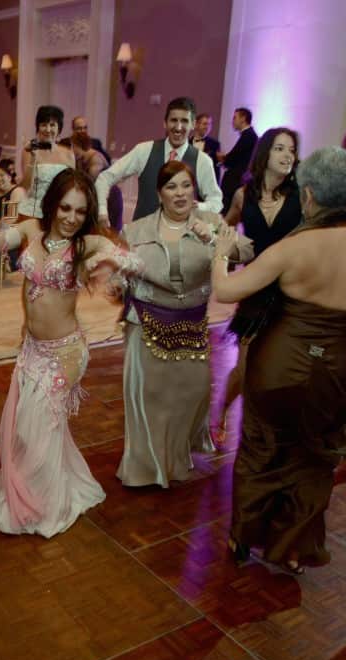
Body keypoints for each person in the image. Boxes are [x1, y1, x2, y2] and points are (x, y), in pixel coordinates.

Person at [0, 168, 142, 537]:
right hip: (31, 348)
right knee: (28, 429)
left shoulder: (87, 244)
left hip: (65, 353)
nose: (71, 218)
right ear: (52, 204)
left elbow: (131, 260)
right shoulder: (32, 232)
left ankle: (46, 506)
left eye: (80, 212)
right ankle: (37, 489)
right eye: (65, 208)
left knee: (38, 430)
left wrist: (112, 261)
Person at [211, 146, 346, 573]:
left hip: (280, 366)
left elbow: (228, 291)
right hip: (337, 370)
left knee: (261, 450)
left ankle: (242, 539)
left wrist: (221, 251)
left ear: (307, 196)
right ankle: (290, 549)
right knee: (313, 458)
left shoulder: (294, 247)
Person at [115, 161, 252, 487]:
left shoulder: (210, 222)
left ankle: (175, 461)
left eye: (186, 186)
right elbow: (120, 276)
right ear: (159, 193)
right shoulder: (136, 231)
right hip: (145, 325)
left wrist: (217, 239)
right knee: (149, 400)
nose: (180, 193)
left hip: (192, 326)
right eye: (171, 187)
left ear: (195, 190)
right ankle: (144, 470)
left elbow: (245, 250)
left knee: (190, 395)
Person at [217, 128, 303, 440]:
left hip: (290, 290)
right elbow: (225, 229)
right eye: (280, 148)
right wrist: (227, 256)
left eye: (291, 150)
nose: (287, 155)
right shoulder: (244, 195)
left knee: (278, 369)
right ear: (265, 154)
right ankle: (223, 410)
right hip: (255, 290)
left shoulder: (301, 197)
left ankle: (263, 430)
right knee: (244, 367)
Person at [95, 97, 223, 227]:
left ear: (193, 125)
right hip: (141, 239)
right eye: (174, 120)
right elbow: (105, 178)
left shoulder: (202, 161)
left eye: (184, 121)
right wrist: (102, 212)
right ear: (165, 123)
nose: (178, 127)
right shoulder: (144, 150)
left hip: (181, 239)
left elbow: (216, 201)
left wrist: (200, 207)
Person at [18, 105, 76, 219]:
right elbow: (25, 187)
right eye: (44, 125)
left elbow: (72, 187)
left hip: (60, 212)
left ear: (59, 128)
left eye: (52, 125)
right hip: (34, 211)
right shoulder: (29, 151)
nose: (48, 129)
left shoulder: (68, 154)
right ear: (38, 127)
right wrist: (33, 158)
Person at [72, 130, 123, 232]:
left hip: (109, 197)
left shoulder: (96, 160)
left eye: (73, 146)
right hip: (96, 197)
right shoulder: (80, 159)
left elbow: (91, 185)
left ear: (79, 145)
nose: (72, 150)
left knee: (110, 231)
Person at [217, 107, 258, 214]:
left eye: (235, 118)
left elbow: (234, 157)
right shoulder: (248, 135)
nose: (232, 121)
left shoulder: (249, 136)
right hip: (236, 181)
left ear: (243, 118)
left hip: (236, 182)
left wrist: (223, 159)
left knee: (226, 212)